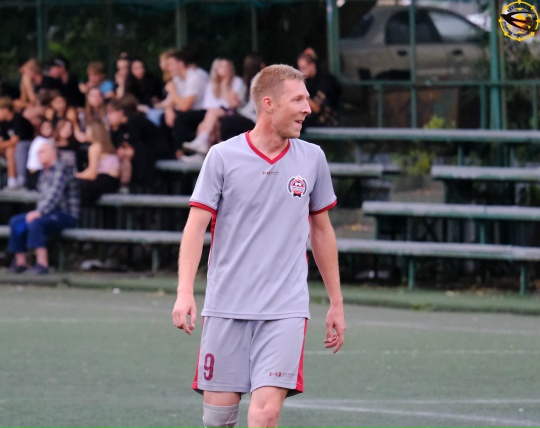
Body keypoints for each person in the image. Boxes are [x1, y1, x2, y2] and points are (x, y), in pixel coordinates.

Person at [171, 64, 346, 428]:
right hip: (226, 305)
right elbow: (195, 227)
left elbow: (322, 232)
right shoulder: (222, 156)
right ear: (268, 103)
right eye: (297, 100)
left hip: (285, 308)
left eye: (307, 99)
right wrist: (185, 292)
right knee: (218, 420)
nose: (307, 108)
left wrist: (336, 302)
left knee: (265, 414)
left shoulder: (313, 158)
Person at [7, 140, 79, 274]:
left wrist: (39, 212)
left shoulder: (61, 169)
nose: (39, 155)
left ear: (52, 153)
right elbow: (42, 196)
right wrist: (38, 212)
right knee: (16, 222)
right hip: (47, 213)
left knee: (36, 222)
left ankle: (42, 264)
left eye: (42, 152)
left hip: (64, 214)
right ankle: (20, 262)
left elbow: (54, 196)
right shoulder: (44, 172)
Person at [180, 57, 245, 162]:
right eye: (221, 66)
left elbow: (232, 105)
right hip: (214, 115)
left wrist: (225, 86)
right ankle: (202, 152)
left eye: (227, 66)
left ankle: (202, 145)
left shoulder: (237, 81)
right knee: (203, 125)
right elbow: (208, 106)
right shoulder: (211, 85)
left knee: (211, 117)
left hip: (232, 113)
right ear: (216, 70)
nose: (225, 69)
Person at [165, 49, 208, 159]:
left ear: (180, 64)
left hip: (203, 112)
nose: (168, 68)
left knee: (181, 118)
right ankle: (169, 153)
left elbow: (185, 107)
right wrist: (168, 110)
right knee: (164, 118)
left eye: (171, 65)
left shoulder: (194, 77)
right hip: (189, 112)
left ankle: (180, 152)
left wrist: (172, 91)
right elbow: (170, 102)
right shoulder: (177, 79)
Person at [75, 120, 120, 205]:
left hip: (104, 181)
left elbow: (92, 174)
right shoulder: (108, 147)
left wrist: (76, 175)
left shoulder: (94, 148)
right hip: (114, 183)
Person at [296, 48, 341, 128]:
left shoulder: (325, 81)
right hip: (308, 121)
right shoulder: (305, 80)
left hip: (326, 122)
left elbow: (317, 109)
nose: (301, 71)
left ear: (312, 65)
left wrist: (300, 93)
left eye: (304, 68)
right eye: (300, 68)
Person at [0, 96, 35, 189]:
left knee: (11, 150)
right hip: (12, 147)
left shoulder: (19, 120)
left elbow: (15, 141)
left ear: (5, 110)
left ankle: (14, 180)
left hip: (26, 146)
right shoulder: (3, 123)